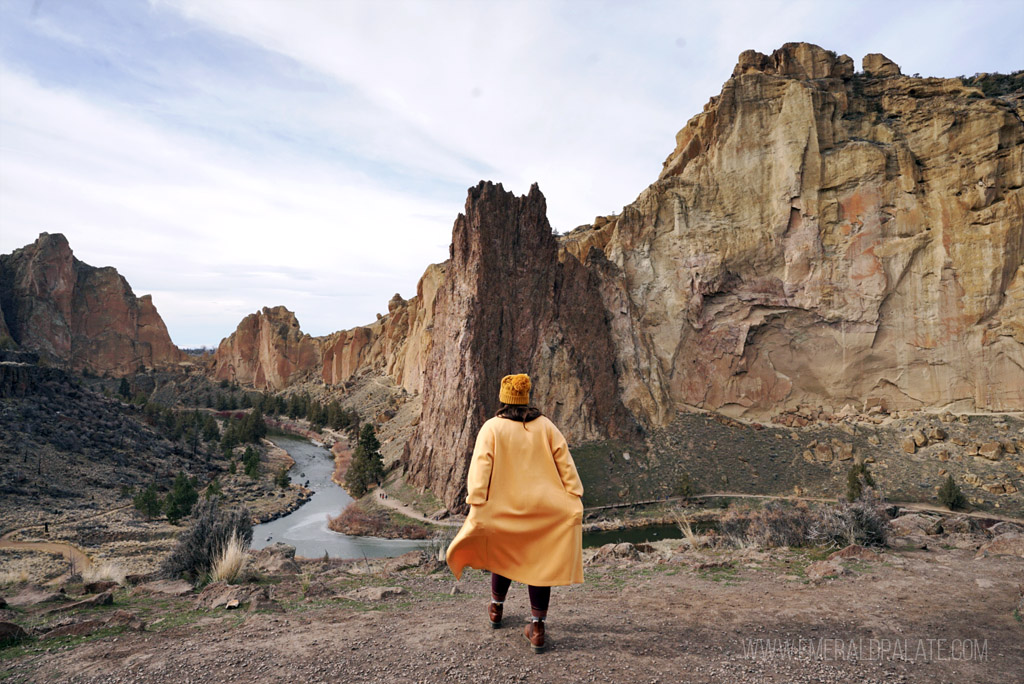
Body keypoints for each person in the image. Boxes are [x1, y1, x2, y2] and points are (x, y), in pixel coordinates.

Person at [446, 373, 584, 653]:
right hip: (545, 511)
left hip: (505, 511)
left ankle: (496, 609)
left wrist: (476, 501)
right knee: (540, 568)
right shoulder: (546, 426)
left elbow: (480, 469)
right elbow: (566, 465)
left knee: (502, 556)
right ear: (526, 397)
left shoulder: (492, 428)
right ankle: (537, 628)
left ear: (503, 398)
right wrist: (574, 496)